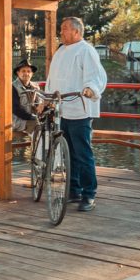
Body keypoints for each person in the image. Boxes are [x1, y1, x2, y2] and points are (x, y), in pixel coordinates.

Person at [43, 16, 107, 211]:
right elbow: (52, 79)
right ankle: (74, 189)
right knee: (68, 153)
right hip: (62, 109)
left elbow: (96, 75)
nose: (61, 32)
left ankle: (89, 194)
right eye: (61, 28)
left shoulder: (86, 50)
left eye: (65, 28)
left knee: (83, 153)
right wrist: (47, 98)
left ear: (76, 31)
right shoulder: (60, 52)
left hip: (80, 109)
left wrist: (90, 89)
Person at [11, 58, 39, 135]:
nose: (26, 73)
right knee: (37, 124)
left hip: (31, 118)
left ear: (32, 74)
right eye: (23, 71)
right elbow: (15, 109)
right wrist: (31, 117)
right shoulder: (13, 86)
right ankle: (33, 142)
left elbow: (38, 104)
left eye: (28, 71)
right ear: (18, 73)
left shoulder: (35, 86)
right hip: (16, 121)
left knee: (47, 123)